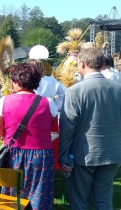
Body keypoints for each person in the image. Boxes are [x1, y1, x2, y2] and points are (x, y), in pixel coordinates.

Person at [59, 48, 121, 209]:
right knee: (104, 199)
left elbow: (67, 127)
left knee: (79, 200)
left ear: (82, 64)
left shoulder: (75, 91)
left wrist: (64, 156)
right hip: (112, 153)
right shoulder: (118, 89)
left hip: (83, 154)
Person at [0, 62, 57, 210]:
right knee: (40, 195)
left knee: (12, 195)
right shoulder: (48, 102)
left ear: (16, 81)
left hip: (14, 153)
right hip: (41, 155)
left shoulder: (4, 101)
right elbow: (51, 123)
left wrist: (10, 137)